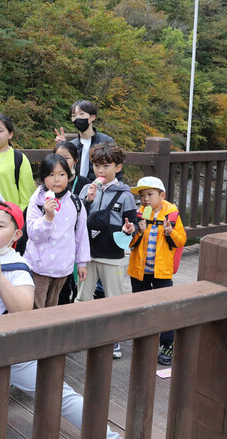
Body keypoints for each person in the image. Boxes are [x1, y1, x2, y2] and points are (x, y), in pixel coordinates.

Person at [0, 202, 122, 439]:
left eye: (1, 225)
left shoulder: (19, 265)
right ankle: (4, 380)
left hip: (11, 348)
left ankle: (109, 435)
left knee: (56, 392)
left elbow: (23, 309)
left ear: (16, 234)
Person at [77, 143, 137, 359]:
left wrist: (130, 229)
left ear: (118, 167)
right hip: (88, 253)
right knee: (83, 296)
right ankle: (82, 335)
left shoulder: (125, 194)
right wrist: (87, 201)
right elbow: (76, 218)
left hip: (112, 254)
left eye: (106, 166)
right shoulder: (86, 189)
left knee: (114, 298)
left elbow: (134, 223)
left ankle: (113, 340)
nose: (100, 171)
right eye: (96, 165)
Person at [122, 176, 186, 366]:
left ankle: (167, 343)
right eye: (142, 195)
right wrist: (136, 232)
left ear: (162, 195)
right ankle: (143, 340)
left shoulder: (172, 214)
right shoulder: (139, 214)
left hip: (162, 271)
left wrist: (169, 232)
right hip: (139, 270)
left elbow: (181, 240)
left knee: (165, 306)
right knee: (140, 306)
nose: (145, 199)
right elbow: (129, 244)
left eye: (150, 194)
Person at [24, 154, 89, 309]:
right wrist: (48, 217)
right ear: (43, 177)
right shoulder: (37, 201)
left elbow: (81, 234)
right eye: (51, 175)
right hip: (38, 267)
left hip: (63, 267)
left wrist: (81, 263)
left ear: (69, 176)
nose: (57, 180)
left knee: (55, 307)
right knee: (36, 307)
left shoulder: (75, 202)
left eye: (61, 174)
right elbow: (34, 234)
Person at [0, 114, 36, 210]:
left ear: (10, 134)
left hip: (10, 215)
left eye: (0, 131)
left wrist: (20, 217)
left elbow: (26, 196)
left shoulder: (19, 158)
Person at [66, 100, 119, 184]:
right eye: (73, 115)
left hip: (99, 188)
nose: (77, 118)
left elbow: (116, 169)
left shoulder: (106, 141)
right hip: (77, 190)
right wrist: (62, 148)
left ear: (92, 117)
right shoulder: (72, 144)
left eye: (81, 114)